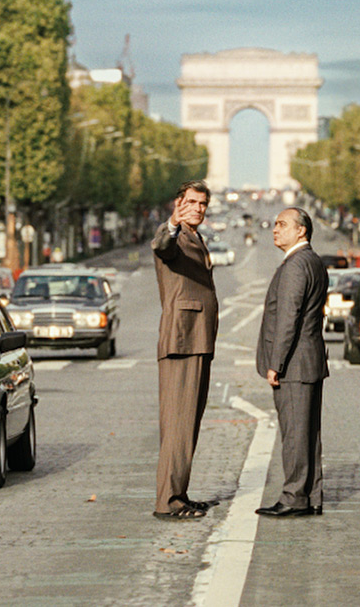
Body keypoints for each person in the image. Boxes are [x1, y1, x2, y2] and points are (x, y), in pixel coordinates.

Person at [151, 179, 219, 520]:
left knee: (187, 423)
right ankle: (168, 501)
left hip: (196, 339)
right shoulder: (174, 235)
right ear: (178, 204)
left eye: (203, 203)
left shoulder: (196, 236)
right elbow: (162, 245)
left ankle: (179, 492)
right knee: (178, 424)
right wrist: (173, 224)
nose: (198, 208)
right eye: (192, 202)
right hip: (182, 339)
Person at [255, 206, 329, 518]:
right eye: (275, 224)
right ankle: (310, 495)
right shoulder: (313, 260)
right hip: (308, 360)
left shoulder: (296, 265)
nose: (275, 229)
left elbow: (288, 318)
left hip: (294, 364)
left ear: (301, 230)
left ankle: (294, 497)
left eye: (282, 224)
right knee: (308, 434)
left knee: (295, 435)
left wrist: (276, 363)